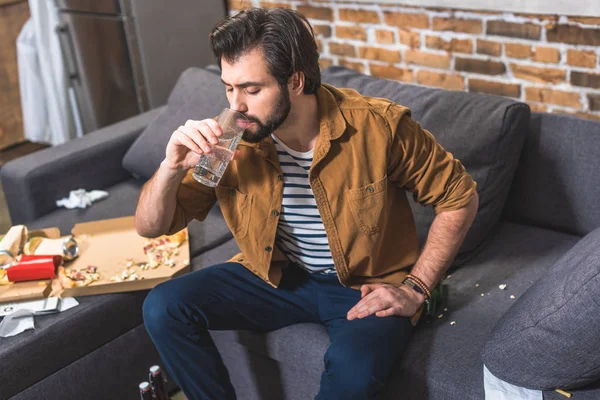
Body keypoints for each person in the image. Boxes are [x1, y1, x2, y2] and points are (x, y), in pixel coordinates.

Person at [137, 7, 478, 400]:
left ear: (295, 81)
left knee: (352, 378)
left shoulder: (378, 127)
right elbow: (152, 226)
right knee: (163, 306)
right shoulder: (230, 136)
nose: (236, 106)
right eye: (229, 88)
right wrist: (170, 166)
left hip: (360, 286)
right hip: (276, 275)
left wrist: (415, 288)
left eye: (251, 89)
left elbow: (459, 197)